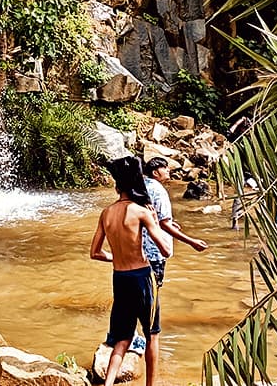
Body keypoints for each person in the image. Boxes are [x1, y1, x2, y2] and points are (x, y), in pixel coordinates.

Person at [90, 156, 173, 386]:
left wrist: (116, 257)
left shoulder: (106, 213)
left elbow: (95, 253)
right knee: (152, 334)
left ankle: (107, 384)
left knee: (123, 337)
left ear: (117, 187)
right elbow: (165, 250)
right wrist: (154, 221)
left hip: (120, 277)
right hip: (142, 278)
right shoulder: (141, 212)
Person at [141, 156, 208, 286]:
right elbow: (163, 224)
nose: (168, 170)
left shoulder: (142, 186)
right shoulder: (159, 191)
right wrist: (192, 241)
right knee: (154, 292)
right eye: (164, 168)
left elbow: (150, 216)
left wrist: (169, 222)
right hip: (155, 251)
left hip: (140, 250)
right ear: (155, 173)